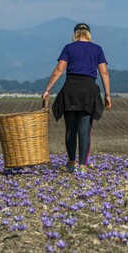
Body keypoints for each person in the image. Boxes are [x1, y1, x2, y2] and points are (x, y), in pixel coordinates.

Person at [42, 23, 111, 173]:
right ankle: (82, 166)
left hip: (70, 90)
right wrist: (107, 94)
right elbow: (104, 73)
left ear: (75, 34)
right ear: (88, 34)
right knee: (84, 129)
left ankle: (71, 162)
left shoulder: (69, 48)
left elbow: (59, 69)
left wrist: (47, 89)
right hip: (89, 91)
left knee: (70, 129)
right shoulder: (97, 49)